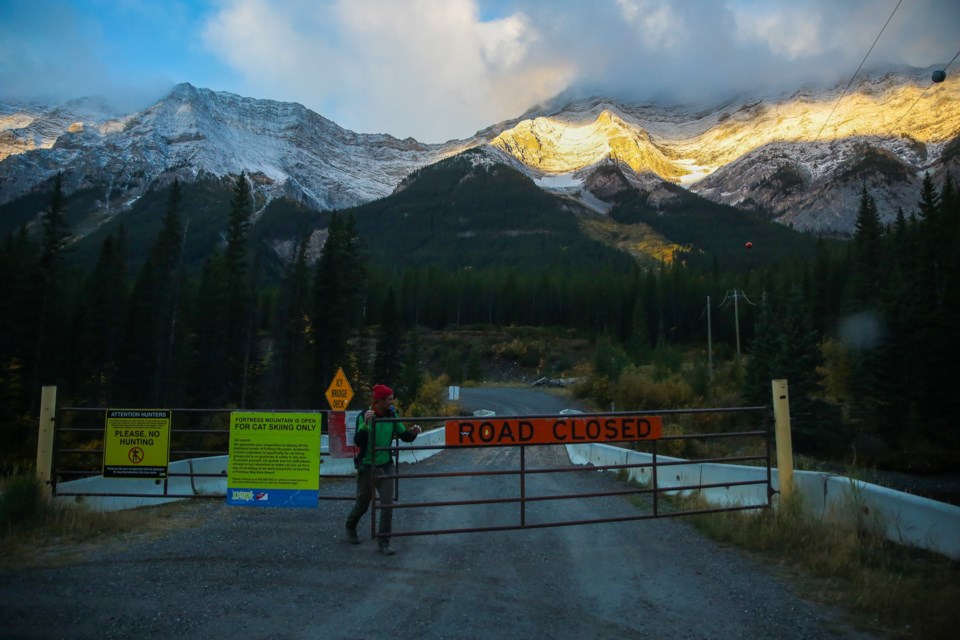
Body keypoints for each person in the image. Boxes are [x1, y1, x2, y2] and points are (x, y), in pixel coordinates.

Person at [345, 383, 421, 555]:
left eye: (392, 398)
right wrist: (365, 425)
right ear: (379, 400)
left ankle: (384, 542)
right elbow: (358, 441)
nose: (392, 402)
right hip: (367, 465)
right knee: (363, 504)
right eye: (389, 399)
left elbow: (404, 436)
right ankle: (350, 526)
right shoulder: (365, 415)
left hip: (385, 465)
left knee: (387, 505)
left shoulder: (392, 414)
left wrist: (414, 432)